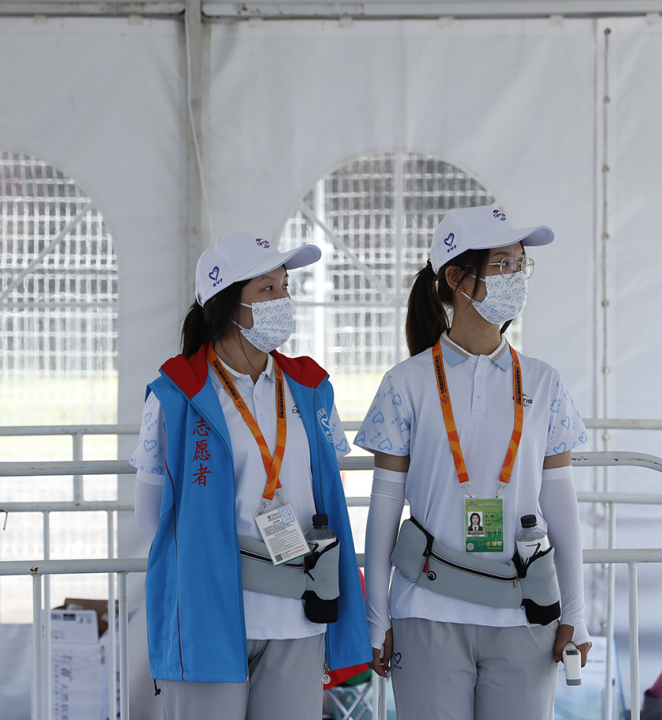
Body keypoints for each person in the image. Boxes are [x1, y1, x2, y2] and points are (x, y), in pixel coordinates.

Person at [356, 205, 592, 720]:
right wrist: (377, 614)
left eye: (520, 265)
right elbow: (384, 507)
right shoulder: (405, 383)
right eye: (503, 264)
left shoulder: (545, 381)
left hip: (525, 613)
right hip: (426, 611)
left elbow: (561, 503)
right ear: (456, 278)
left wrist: (575, 610)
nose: (516, 278)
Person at [130, 232, 371, 720]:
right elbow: (151, 516)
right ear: (225, 303)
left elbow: (326, 488)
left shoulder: (310, 386)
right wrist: (207, 570)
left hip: (299, 613)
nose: (283, 300)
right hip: (210, 617)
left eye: (285, 287)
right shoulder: (177, 393)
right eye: (268, 289)